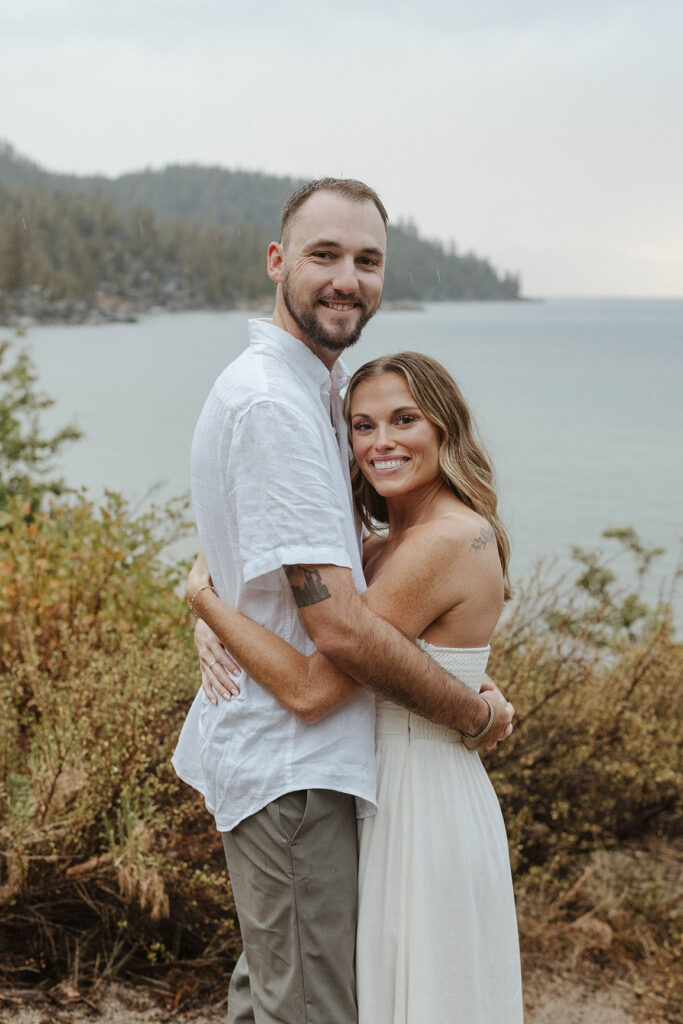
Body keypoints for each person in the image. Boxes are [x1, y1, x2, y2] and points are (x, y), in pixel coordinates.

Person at [172, 178, 515, 1024]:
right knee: (309, 1009)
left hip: (328, 768)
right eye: (324, 254)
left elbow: (280, 558)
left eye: (366, 260)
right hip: (295, 765)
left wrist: (211, 598)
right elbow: (338, 647)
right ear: (277, 261)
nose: (346, 278)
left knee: (277, 997)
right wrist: (468, 713)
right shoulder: (279, 404)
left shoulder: (317, 394)